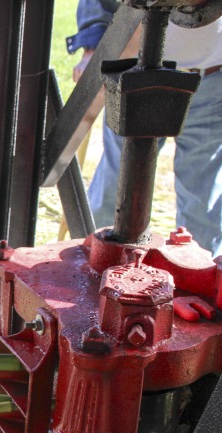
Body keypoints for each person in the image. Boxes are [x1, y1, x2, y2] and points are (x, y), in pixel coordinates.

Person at [67, 0, 222, 257]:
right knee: (115, 189)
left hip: (211, 80)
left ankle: (196, 281)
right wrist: (92, 48)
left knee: (202, 204)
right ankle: (93, 264)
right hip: (135, 70)